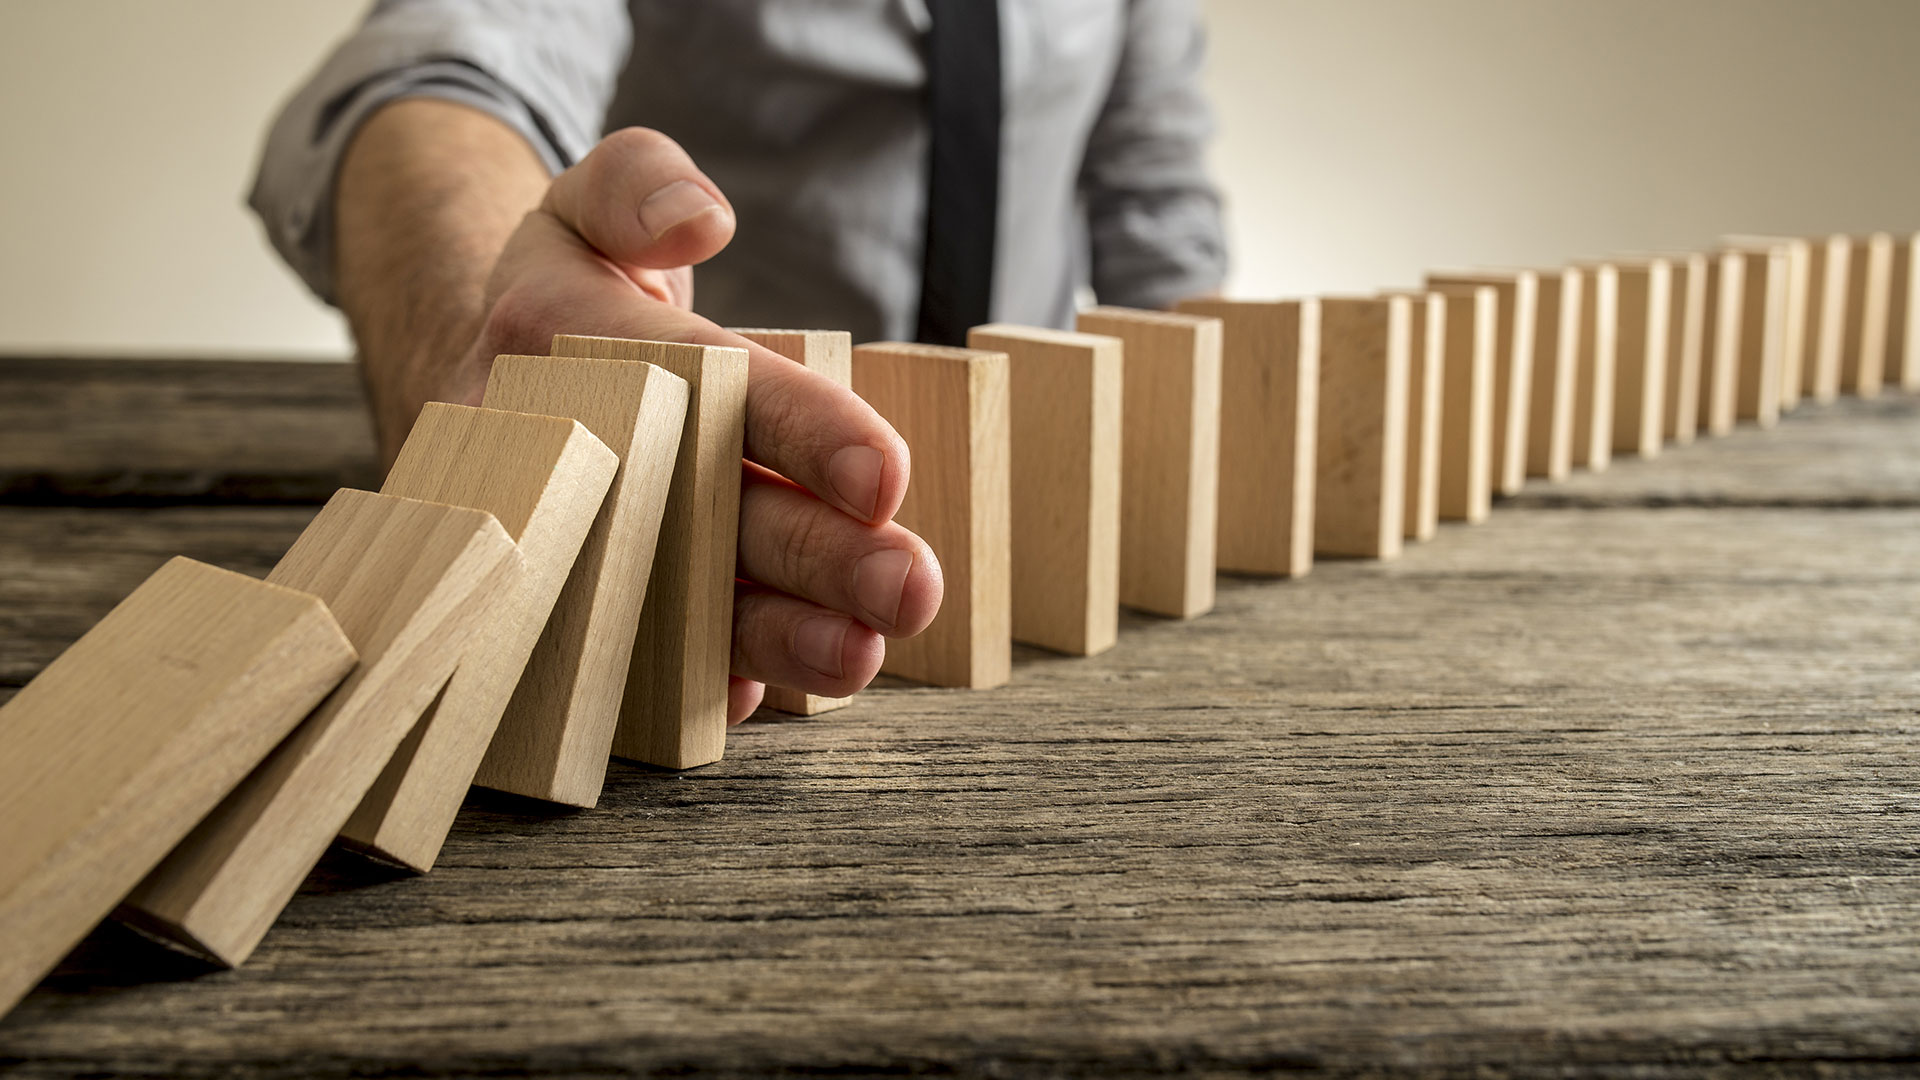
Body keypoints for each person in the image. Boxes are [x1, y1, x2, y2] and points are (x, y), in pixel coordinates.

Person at [251, 0, 1228, 725]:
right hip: (705, 536)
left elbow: (1159, 197)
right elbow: (442, 67)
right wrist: (487, 332)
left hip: (1039, 561)